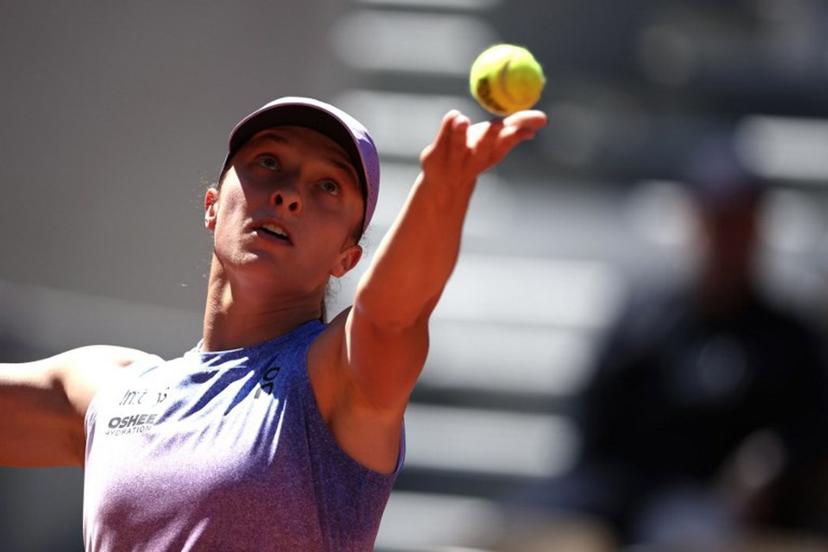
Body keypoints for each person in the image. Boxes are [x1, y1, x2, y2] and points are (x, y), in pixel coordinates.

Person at [0, 96, 547, 551]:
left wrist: (442, 193)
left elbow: (392, 315)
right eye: (268, 163)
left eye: (327, 186)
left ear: (346, 259)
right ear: (212, 205)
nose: (287, 193)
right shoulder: (110, 390)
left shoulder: (333, 381)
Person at [500, 138, 828, 551]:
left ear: (759, 226)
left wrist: (775, 463)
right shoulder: (645, 322)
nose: (728, 238)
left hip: (742, 523)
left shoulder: (791, 342)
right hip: (632, 507)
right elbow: (593, 437)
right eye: (717, 219)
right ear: (693, 220)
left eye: (739, 221)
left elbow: (810, 438)